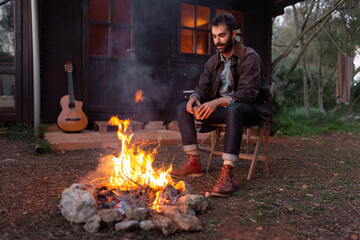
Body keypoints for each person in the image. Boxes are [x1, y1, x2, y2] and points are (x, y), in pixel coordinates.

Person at [170, 12, 273, 197]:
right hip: (225, 109)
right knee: (183, 108)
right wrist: (194, 97)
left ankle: (227, 174)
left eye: (222, 35)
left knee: (233, 109)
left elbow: (249, 93)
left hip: (252, 109)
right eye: (215, 36)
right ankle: (193, 162)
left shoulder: (250, 57)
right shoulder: (213, 61)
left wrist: (217, 101)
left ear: (234, 34)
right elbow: (203, 86)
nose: (217, 41)